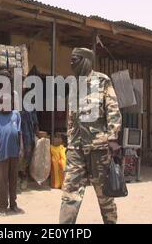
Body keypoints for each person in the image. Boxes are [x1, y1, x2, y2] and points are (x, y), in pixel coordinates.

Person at [59, 48, 122, 224]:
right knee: (70, 194)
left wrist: (112, 137)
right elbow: (71, 116)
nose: (71, 63)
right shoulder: (73, 84)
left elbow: (113, 110)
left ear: (86, 60)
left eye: (75, 59)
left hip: (99, 149)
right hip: (76, 150)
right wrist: (70, 140)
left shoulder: (102, 80)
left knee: (105, 196)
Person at [0, 93, 25, 215]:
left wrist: (21, 148)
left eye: (9, 103)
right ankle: (2, 206)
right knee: (2, 181)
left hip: (14, 153)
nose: (6, 105)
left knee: (13, 180)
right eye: (3, 103)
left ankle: (13, 204)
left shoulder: (16, 115)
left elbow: (19, 133)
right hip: (2, 153)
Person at [19, 85, 39, 191]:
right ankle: (17, 176)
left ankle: (24, 176)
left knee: (27, 153)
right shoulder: (14, 102)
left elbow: (34, 119)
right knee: (17, 154)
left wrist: (37, 132)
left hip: (27, 132)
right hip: (16, 132)